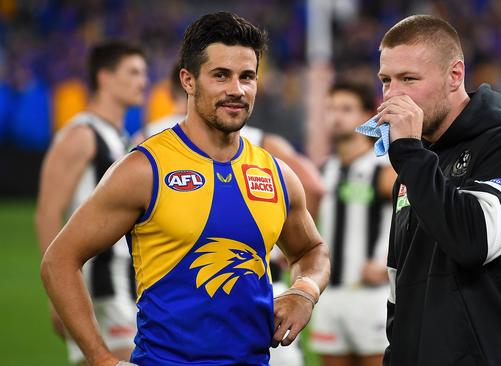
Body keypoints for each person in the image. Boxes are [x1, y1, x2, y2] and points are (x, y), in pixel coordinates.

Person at [40, 11, 330, 366]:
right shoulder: (144, 169)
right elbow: (59, 260)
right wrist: (101, 359)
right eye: (220, 75)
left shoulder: (276, 175)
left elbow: (312, 251)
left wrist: (304, 292)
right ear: (188, 80)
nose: (236, 90)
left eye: (247, 77)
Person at [375, 15, 501, 365]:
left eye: (409, 79)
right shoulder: (416, 162)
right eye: (386, 80)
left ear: (454, 75)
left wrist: (410, 154)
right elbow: (400, 289)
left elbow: (473, 242)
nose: (393, 94)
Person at [35, 40, 147, 365]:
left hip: (123, 280)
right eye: (133, 72)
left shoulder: (121, 137)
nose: (143, 81)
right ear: (105, 77)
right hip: (97, 283)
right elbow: (47, 213)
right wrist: (55, 292)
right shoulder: (80, 135)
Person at [139, 62, 325, 218]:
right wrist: (284, 250)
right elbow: (313, 186)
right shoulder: (260, 141)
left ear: (172, 92)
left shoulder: (146, 137)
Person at [309, 81, 395, 366]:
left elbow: (418, 215)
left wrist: (388, 263)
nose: (337, 116)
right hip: (330, 295)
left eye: (346, 109)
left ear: (366, 115)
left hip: (371, 296)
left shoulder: (383, 169)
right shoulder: (323, 171)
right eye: (331, 108)